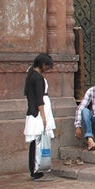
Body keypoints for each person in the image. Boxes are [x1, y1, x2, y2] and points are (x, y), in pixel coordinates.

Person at [23, 53, 56, 181]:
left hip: (37, 111)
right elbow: (39, 99)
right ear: (43, 65)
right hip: (38, 113)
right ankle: (36, 170)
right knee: (38, 142)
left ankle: (37, 170)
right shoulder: (37, 78)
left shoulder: (31, 74)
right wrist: (43, 117)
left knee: (38, 142)